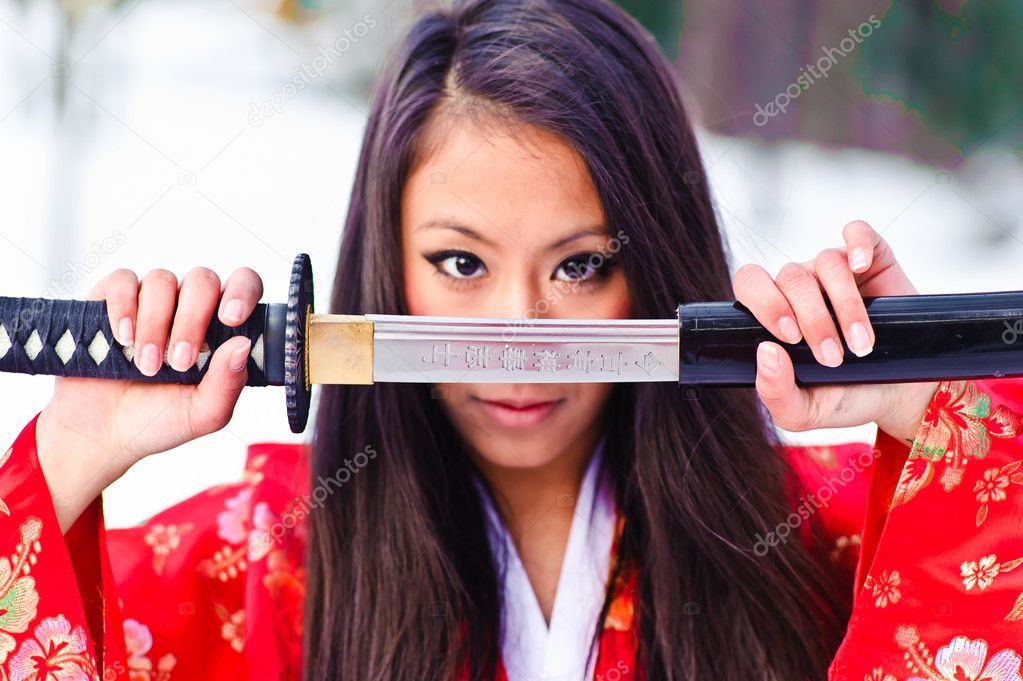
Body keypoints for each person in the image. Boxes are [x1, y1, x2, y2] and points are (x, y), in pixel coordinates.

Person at [3, 1, 1022, 679]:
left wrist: (940, 415)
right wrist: (64, 461)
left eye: (581, 265)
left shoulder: (823, 540)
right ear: (383, 264)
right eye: (459, 264)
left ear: (658, 267)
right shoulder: (252, 560)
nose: (518, 337)